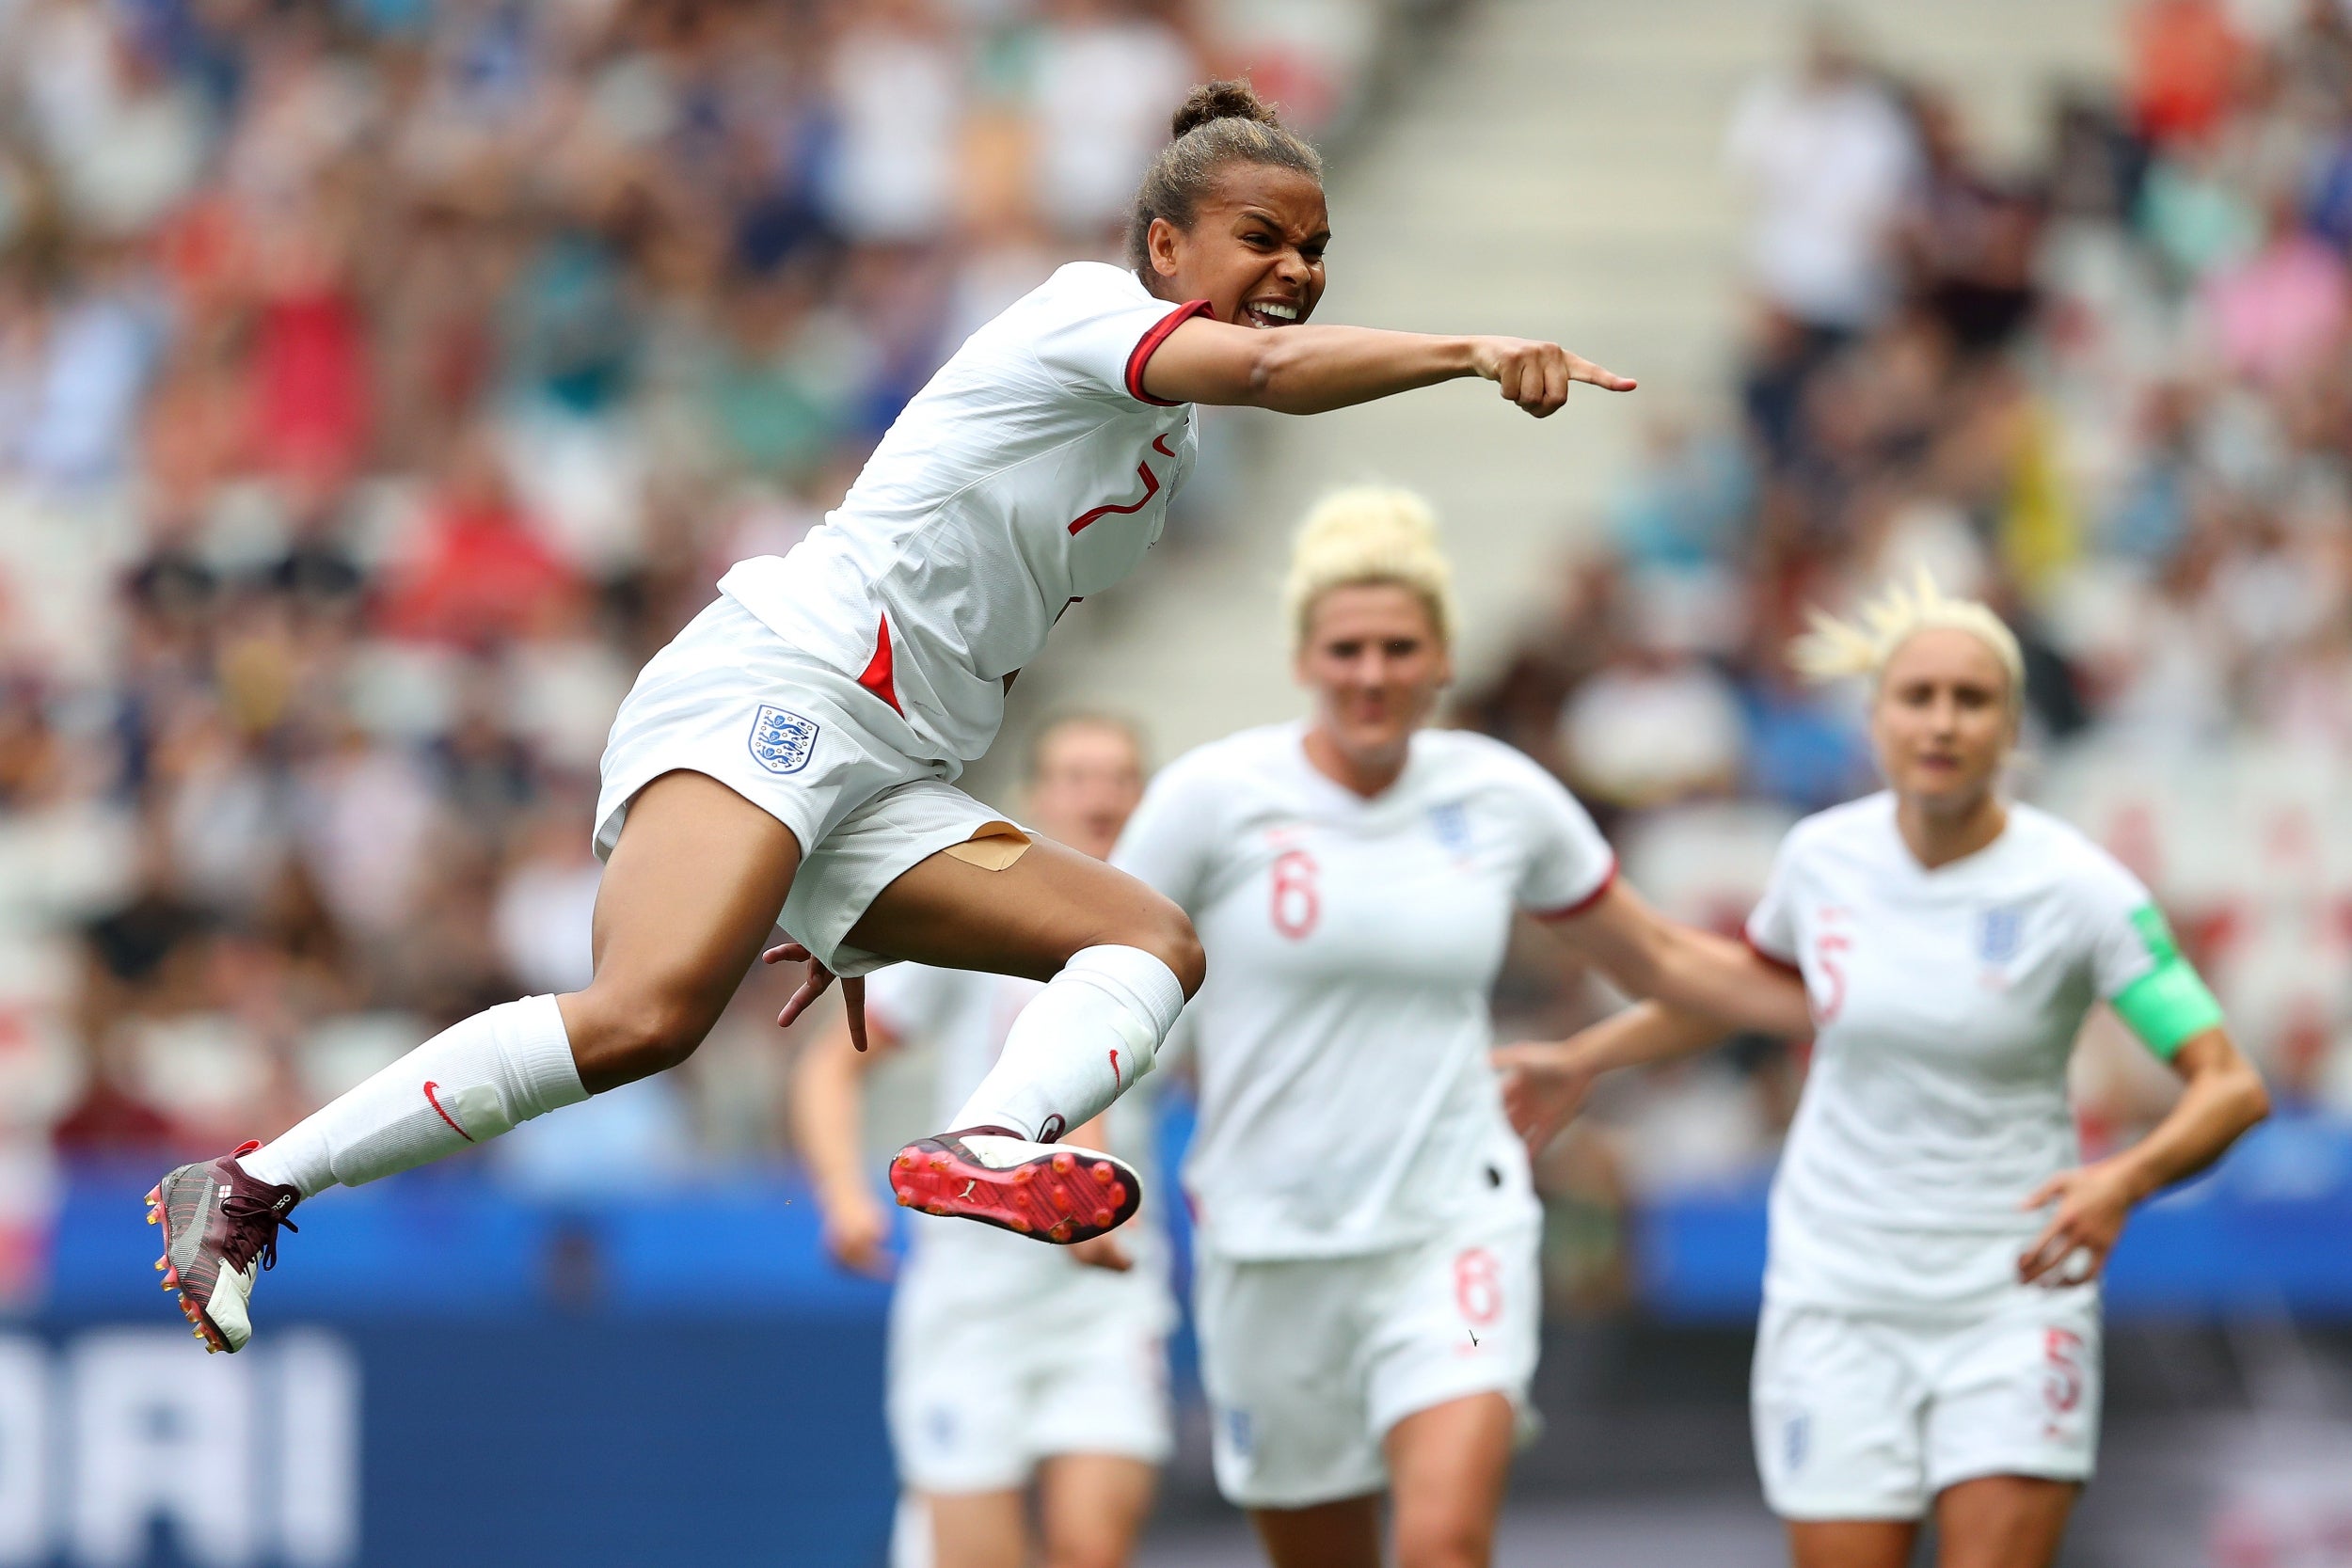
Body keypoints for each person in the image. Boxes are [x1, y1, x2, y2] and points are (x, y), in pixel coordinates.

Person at [146, 78, 1635, 1355]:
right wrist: (1460, 350)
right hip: (783, 684)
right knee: (650, 1013)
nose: (1298, 270)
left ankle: (992, 1133)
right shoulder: (1085, 317)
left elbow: (988, 610)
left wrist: (839, 889)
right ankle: (253, 1180)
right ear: (1166, 243)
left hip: (881, 763)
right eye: (1266, 241)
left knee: (1153, 942)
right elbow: (1260, 365)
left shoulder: (1165, 445)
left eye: (1316, 248)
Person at [1494, 573, 2271, 1568]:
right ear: (1875, 718)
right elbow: (1749, 989)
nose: (1942, 721)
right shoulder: (1821, 859)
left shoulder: (2080, 889)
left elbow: (2229, 1082)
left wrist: (2123, 1180)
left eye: (1971, 698)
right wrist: (1585, 1058)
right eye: (1918, 696)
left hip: (2010, 1291)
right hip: (1838, 1290)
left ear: (2010, 724)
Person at [1109, 488, 1819, 1568]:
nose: (1373, 672)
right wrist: (1071, 1135)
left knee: (1444, 1539)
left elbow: (1663, 960)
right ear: (1304, 656)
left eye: (1401, 646)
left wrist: (1846, 989)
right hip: (1269, 1242)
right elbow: (1099, 975)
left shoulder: (1500, 796)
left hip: (1453, 1226)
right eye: (1346, 647)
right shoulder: (1211, 796)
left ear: (1442, 659)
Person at [793, 714, 1173, 1568]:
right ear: (1039, 797)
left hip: (1105, 1300)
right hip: (970, 1299)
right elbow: (828, 1067)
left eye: (1119, 775)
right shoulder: (981, 928)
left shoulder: (1172, 945)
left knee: (1092, 1549)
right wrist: (843, 1198)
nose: (1100, 794)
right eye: (1078, 774)